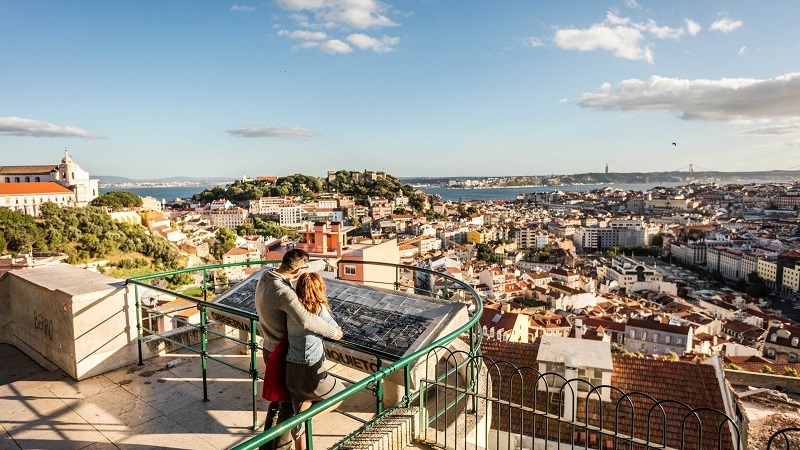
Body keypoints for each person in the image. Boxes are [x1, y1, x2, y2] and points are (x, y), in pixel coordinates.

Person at [255, 249, 343, 450]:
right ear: (297, 270)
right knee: (285, 407)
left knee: (278, 403)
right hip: (280, 351)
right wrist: (333, 332)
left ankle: (266, 446)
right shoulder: (284, 292)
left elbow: (300, 269)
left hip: (270, 345)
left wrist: (325, 263)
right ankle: (277, 447)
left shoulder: (267, 274)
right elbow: (305, 319)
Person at [286, 272, 345, 450]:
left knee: (300, 421)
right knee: (339, 394)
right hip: (311, 369)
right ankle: (305, 420)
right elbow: (336, 331)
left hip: (290, 369)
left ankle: (301, 421)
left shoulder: (292, 308)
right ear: (319, 289)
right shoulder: (318, 309)